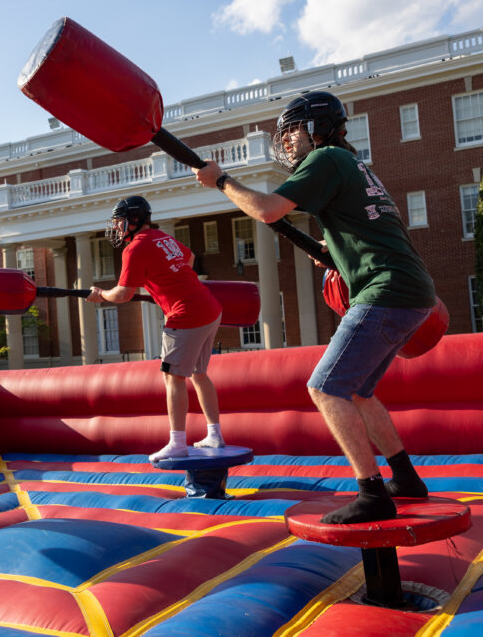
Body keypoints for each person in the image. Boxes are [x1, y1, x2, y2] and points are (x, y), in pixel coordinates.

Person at [193, 91, 435, 524]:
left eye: (291, 133)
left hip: (384, 291)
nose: (287, 143)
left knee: (325, 388)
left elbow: (268, 211)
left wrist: (222, 181)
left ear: (314, 129)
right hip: (413, 292)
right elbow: (367, 230)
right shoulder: (354, 165)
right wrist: (332, 250)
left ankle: (372, 492)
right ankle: (405, 478)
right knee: (359, 390)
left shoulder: (323, 159)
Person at [86, 196, 225, 463]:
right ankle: (214, 435)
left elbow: (124, 294)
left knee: (173, 378)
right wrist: (166, 280)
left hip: (186, 314)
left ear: (134, 220)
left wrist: (101, 295)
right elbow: (190, 257)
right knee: (199, 373)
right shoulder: (162, 237)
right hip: (209, 308)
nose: (116, 227)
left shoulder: (134, 248)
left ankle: (177, 443)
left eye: (119, 221)